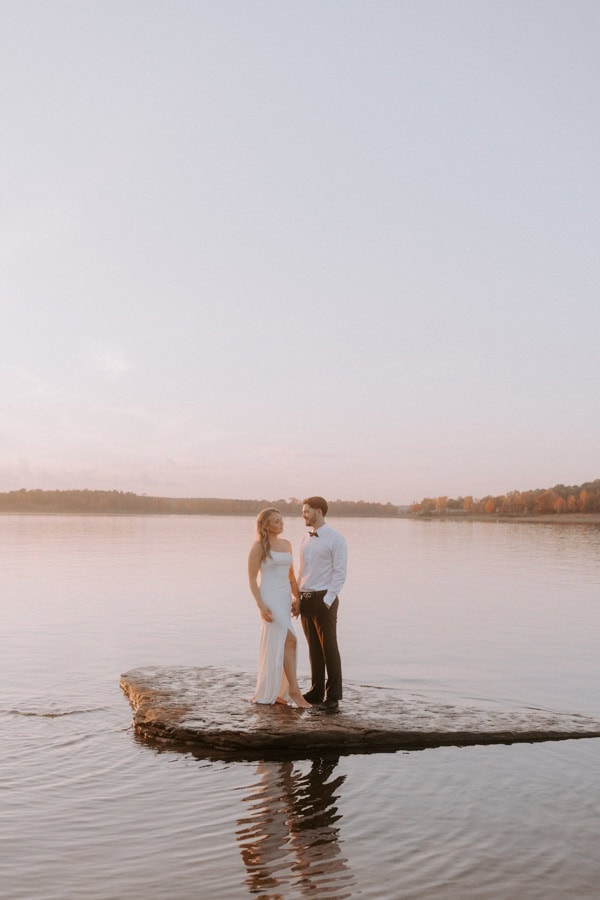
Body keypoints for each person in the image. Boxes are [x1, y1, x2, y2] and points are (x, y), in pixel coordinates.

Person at [248, 507, 311, 708]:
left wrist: (297, 599)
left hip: (284, 598)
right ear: (265, 525)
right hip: (269, 598)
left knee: (285, 643)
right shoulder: (259, 546)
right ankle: (294, 690)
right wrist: (260, 605)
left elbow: (291, 576)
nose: (280, 523)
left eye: (281, 520)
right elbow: (251, 579)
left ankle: (278, 690)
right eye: (276, 521)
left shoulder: (287, 545)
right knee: (289, 640)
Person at [297, 496, 347, 711]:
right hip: (306, 598)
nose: (303, 515)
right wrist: (297, 599)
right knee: (313, 649)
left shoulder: (336, 539)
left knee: (329, 649)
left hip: (324, 598)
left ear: (318, 511)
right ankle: (316, 691)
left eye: (306, 511)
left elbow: (340, 572)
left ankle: (333, 696)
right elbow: (302, 572)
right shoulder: (305, 539)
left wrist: (327, 600)